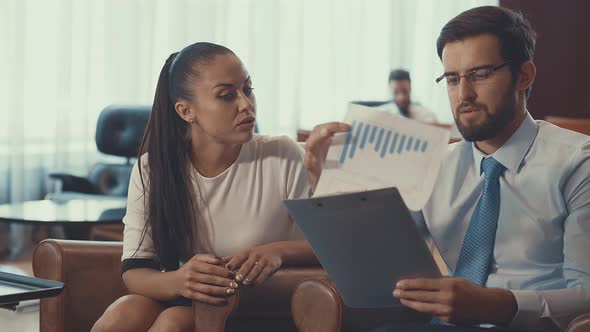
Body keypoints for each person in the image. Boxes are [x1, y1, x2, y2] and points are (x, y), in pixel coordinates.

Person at [304, 6, 590, 332]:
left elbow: (585, 294)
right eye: (452, 79)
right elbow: (374, 259)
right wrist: (321, 181)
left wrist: (499, 304)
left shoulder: (578, 163)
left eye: (480, 74)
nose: (463, 95)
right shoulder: (433, 163)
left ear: (523, 76)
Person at [91, 42, 317, 332]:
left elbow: (333, 247)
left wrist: (278, 251)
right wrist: (180, 279)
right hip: (196, 295)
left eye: (248, 89)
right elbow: (135, 271)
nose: (246, 105)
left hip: (267, 299)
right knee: (121, 315)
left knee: (172, 322)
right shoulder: (153, 168)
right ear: (186, 111)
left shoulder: (282, 154)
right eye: (226, 95)